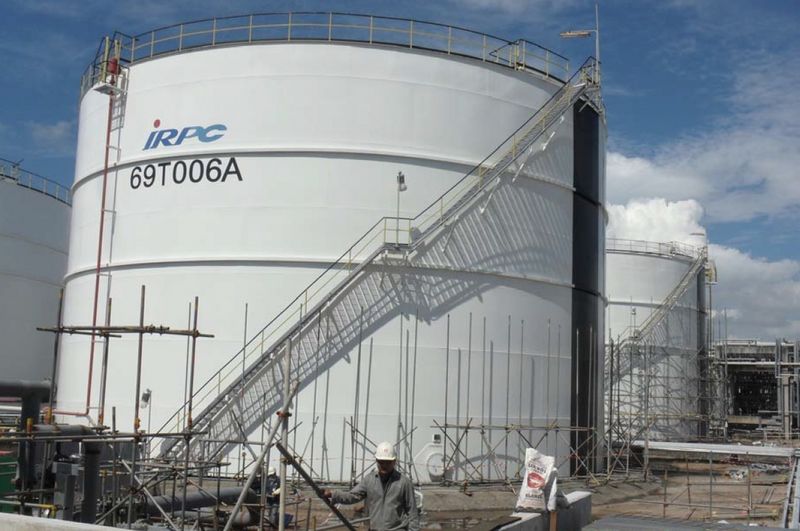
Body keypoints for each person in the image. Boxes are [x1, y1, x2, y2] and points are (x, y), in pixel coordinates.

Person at [324, 441, 419, 531]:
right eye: (381, 462)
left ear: (394, 461)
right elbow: (352, 496)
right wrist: (333, 494)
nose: (384, 465)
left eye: (388, 462)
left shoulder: (404, 483)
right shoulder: (369, 480)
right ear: (376, 461)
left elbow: (412, 513)